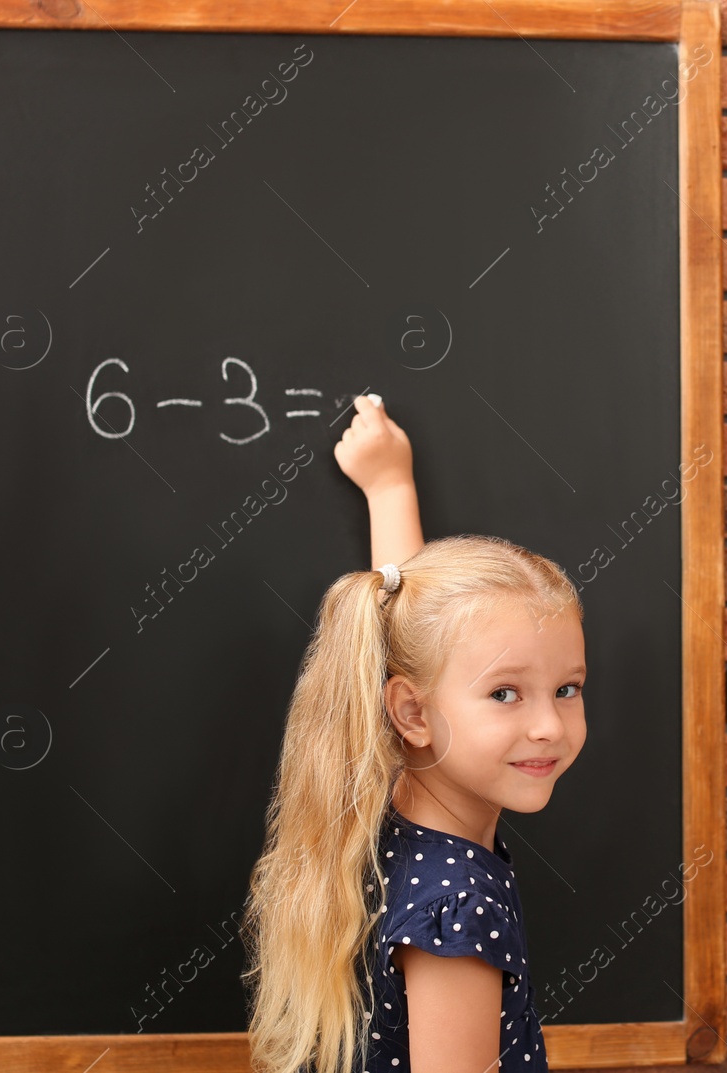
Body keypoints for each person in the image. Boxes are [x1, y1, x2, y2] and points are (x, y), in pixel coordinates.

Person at [241, 394, 586, 1073]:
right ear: (413, 714)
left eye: (567, 688)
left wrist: (390, 488)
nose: (548, 724)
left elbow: (411, 637)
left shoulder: (390, 805)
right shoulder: (460, 908)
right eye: (505, 693)